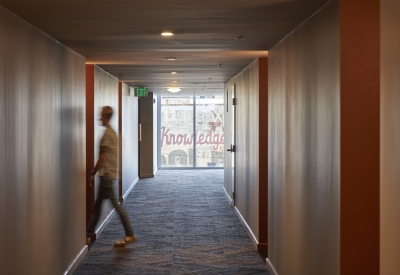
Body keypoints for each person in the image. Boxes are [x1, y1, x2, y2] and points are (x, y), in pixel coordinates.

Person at [86, 106, 137, 247]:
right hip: (108, 175)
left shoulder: (108, 134)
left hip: (106, 176)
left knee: (115, 206)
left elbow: (103, 156)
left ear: (106, 117)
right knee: (98, 206)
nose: (99, 118)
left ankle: (130, 233)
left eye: (101, 116)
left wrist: (93, 172)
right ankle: (88, 234)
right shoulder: (113, 133)